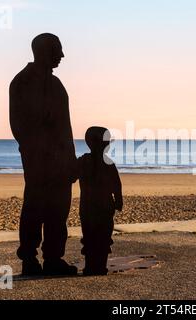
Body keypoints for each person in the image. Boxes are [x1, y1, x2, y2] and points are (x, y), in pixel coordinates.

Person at [9, 33, 78, 276]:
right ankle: (29, 258)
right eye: (57, 50)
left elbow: (65, 128)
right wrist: (37, 150)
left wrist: (70, 160)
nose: (61, 55)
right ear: (42, 51)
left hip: (61, 162)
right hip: (38, 161)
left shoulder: (57, 85)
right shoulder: (23, 82)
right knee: (34, 208)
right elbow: (19, 125)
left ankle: (53, 257)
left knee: (58, 211)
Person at [76, 127, 123, 276]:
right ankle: (97, 266)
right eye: (106, 142)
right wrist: (118, 199)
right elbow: (117, 184)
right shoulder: (106, 163)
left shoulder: (84, 161)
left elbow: (116, 184)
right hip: (101, 205)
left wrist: (119, 198)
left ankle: (93, 266)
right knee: (99, 236)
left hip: (90, 206)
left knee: (94, 236)